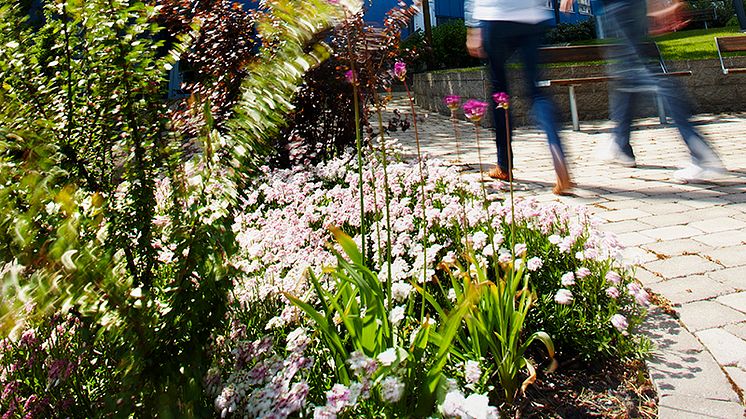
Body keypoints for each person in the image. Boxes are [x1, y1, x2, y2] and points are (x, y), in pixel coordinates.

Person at [566, 0, 726, 180]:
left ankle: (701, 154)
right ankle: (621, 143)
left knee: (649, 76)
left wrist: (663, 4)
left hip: (622, 7)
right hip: (622, 7)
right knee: (628, 75)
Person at [465, 0, 572, 195]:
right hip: (531, 18)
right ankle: (555, 146)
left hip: (494, 16)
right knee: (537, 91)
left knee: (500, 93)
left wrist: (472, 27)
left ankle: (504, 166)